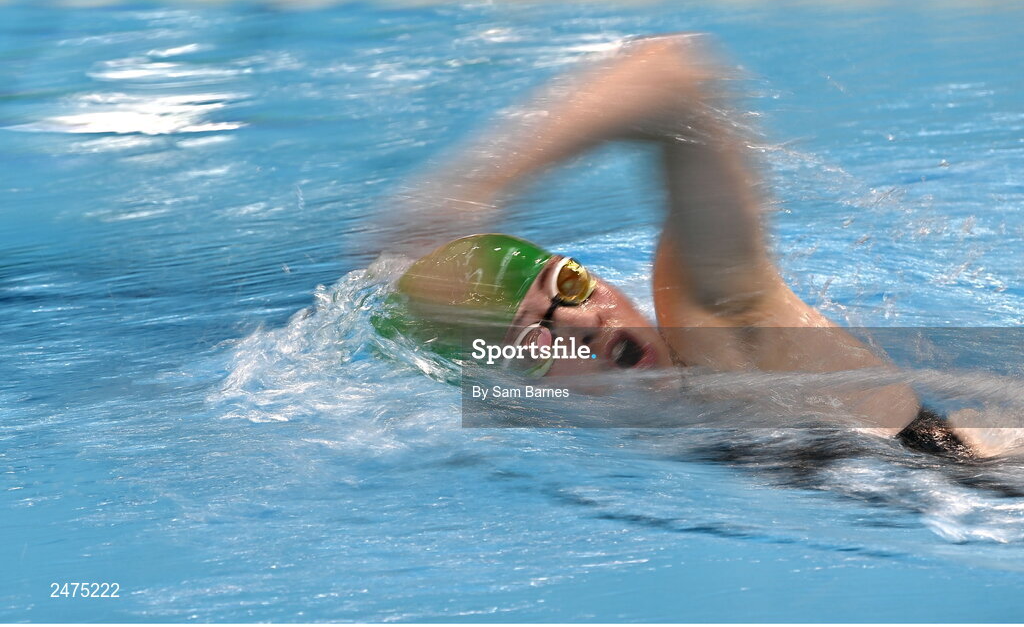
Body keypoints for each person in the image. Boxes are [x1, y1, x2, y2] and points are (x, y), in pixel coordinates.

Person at [374, 34, 1004, 459]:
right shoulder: (630, 446)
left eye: (569, 285)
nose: (584, 320)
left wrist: (474, 185)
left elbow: (672, 76)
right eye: (537, 335)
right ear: (506, 388)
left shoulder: (724, 332)